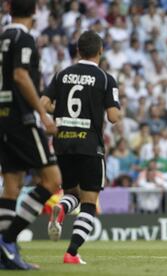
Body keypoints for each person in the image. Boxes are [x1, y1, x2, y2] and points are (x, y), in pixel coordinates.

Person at [40, 30, 121, 264]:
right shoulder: (105, 79)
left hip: (63, 144)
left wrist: (62, 113)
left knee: (71, 193)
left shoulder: (61, 75)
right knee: (88, 202)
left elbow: (44, 104)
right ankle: (72, 252)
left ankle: (61, 209)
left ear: (77, 50)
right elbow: (114, 117)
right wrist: (118, 108)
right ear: (101, 51)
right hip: (90, 146)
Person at [0, 0, 62, 270]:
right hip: (21, 118)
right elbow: (20, 75)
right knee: (51, 180)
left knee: (12, 184)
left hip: (3, 117)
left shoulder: (3, 37)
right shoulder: (23, 37)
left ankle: (5, 256)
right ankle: (7, 240)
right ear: (35, 12)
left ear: (9, 9)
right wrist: (43, 114)